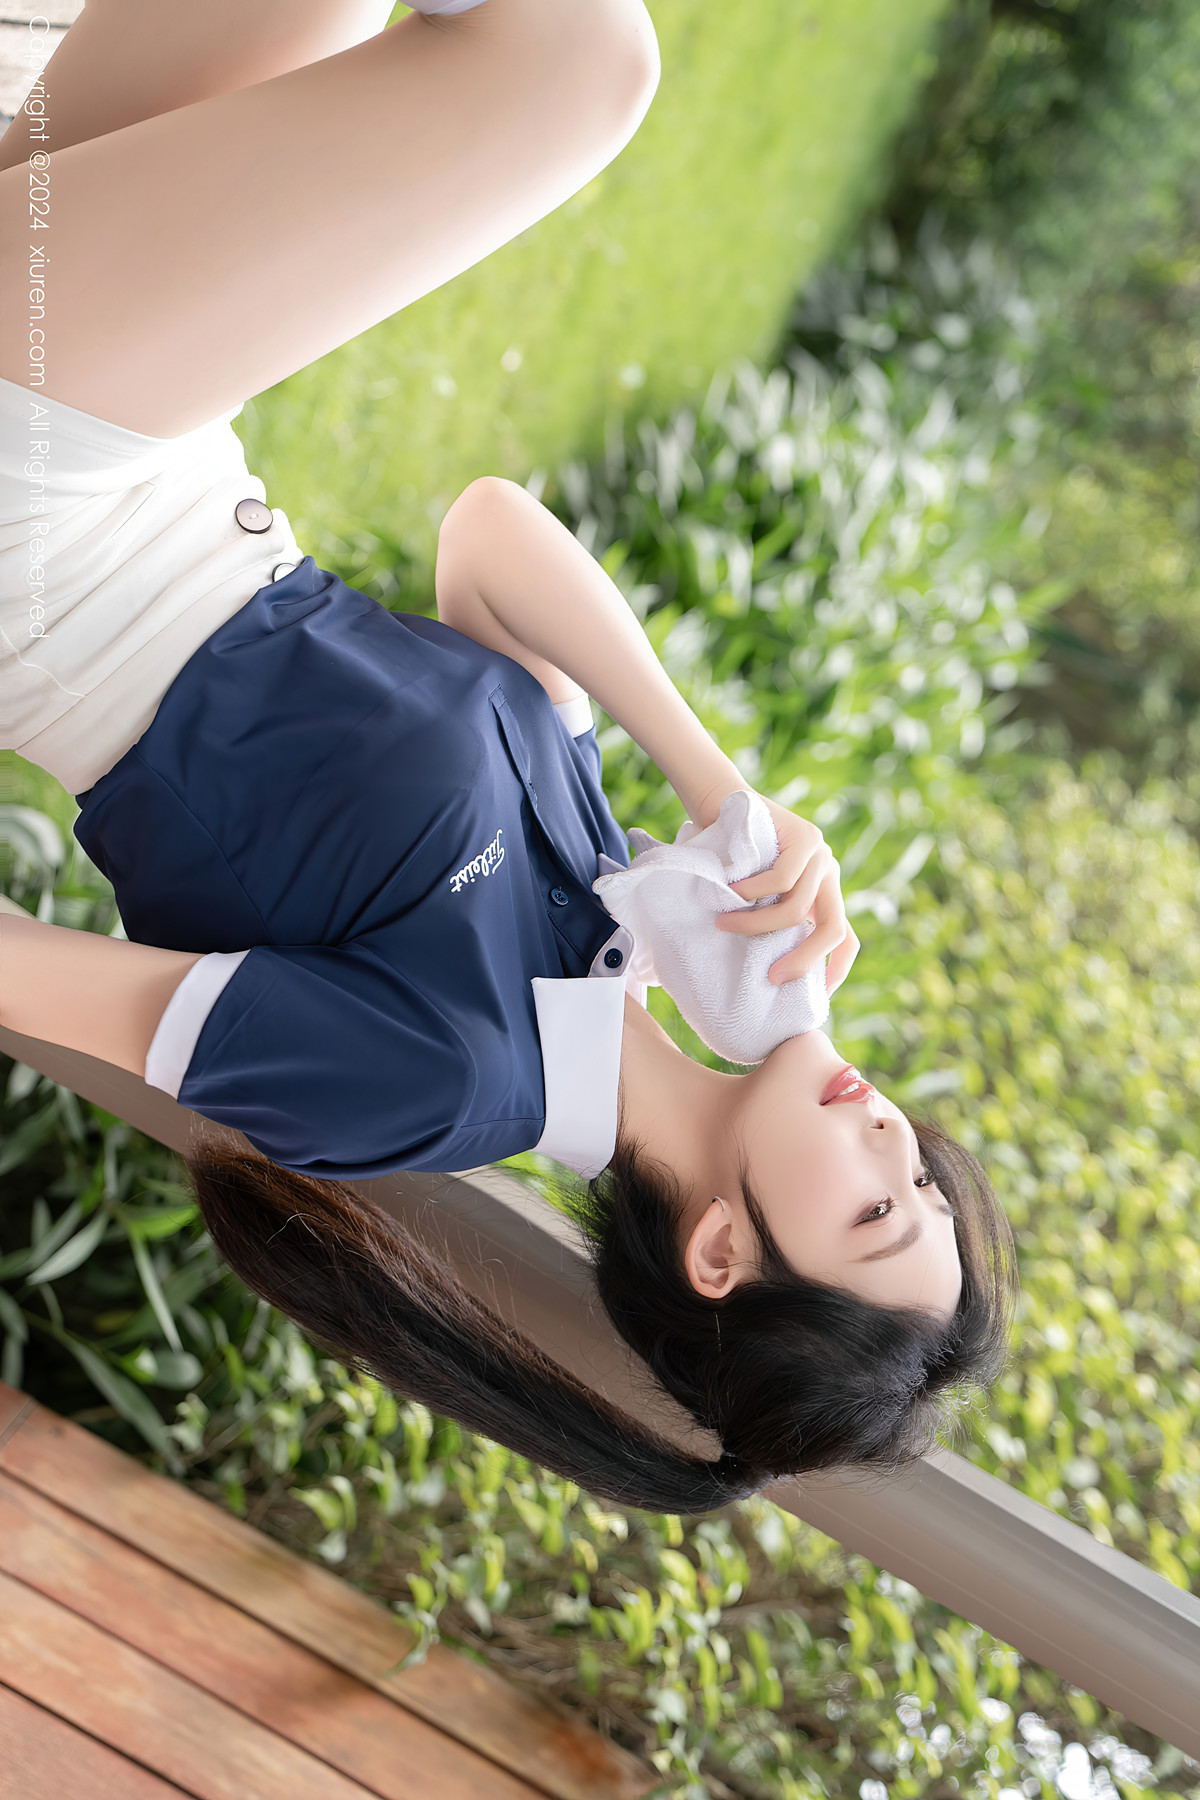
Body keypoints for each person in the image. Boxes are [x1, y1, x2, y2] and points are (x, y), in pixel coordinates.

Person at [0, 0, 1015, 1516]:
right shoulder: (613, 918)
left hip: (39, 517)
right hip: (145, 438)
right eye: (919, 1176)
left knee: (581, 66)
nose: (888, 1136)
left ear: (721, 1253)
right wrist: (718, 789)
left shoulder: (440, 1078)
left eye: (876, 1214)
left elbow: (26, 975)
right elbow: (488, 535)